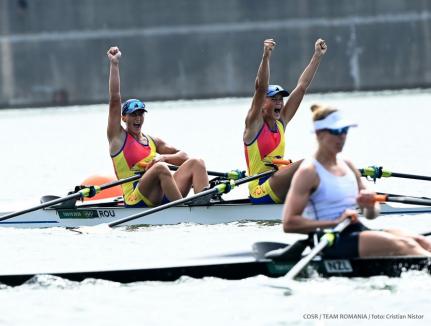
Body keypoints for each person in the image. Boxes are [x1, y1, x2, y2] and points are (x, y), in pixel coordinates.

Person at [282, 105, 431, 258]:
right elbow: (289, 223)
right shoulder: (309, 172)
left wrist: (369, 206)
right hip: (330, 240)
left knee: (421, 242)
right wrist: (335, 222)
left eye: (345, 130)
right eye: (336, 131)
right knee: (407, 245)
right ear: (319, 134)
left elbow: (371, 214)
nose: (342, 137)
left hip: (356, 230)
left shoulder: (348, 165)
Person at [106, 46, 209, 207]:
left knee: (197, 162)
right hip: (135, 198)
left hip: (161, 194)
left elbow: (183, 156)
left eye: (141, 114)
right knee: (161, 168)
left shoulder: (152, 141)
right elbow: (114, 99)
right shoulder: (117, 138)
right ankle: (183, 210)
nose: (138, 118)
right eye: (133, 114)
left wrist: (164, 157)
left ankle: (205, 207)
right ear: (124, 118)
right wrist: (114, 65)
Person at [244, 38, 327, 204]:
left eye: (281, 99)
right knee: (310, 163)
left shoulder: (281, 121)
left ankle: (325, 199)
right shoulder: (253, 125)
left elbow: (302, 86)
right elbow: (261, 88)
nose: (279, 103)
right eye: (274, 99)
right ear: (262, 104)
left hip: (276, 183)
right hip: (259, 190)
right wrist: (266, 56)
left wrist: (317, 56)